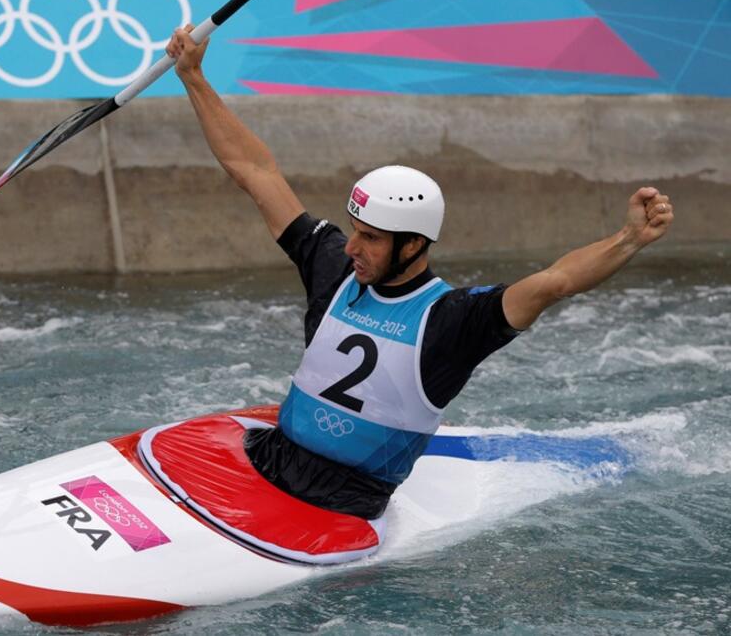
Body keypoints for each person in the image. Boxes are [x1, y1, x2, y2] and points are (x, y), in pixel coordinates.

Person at [165, 26, 675, 522]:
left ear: (412, 245)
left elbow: (554, 282)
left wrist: (628, 239)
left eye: (371, 238)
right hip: (269, 459)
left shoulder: (453, 322)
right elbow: (258, 174)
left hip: (342, 507)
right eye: (354, 230)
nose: (353, 247)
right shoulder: (336, 266)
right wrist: (194, 78)